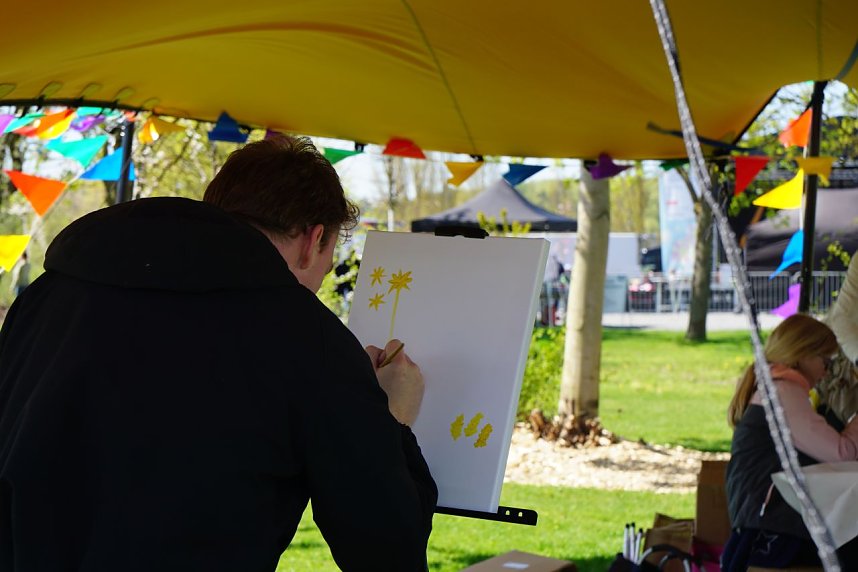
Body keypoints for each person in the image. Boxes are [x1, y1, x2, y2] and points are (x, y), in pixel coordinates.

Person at [0, 136, 437, 571]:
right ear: (313, 240)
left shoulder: (49, 295)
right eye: (327, 261)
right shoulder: (306, 337)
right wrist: (391, 421)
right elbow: (386, 550)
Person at [722, 314, 858, 571]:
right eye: (825, 362)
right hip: (774, 525)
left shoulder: (774, 389)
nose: (827, 372)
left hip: (766, 518)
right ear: (803, 354)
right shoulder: (783, 392)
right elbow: (843, 452)